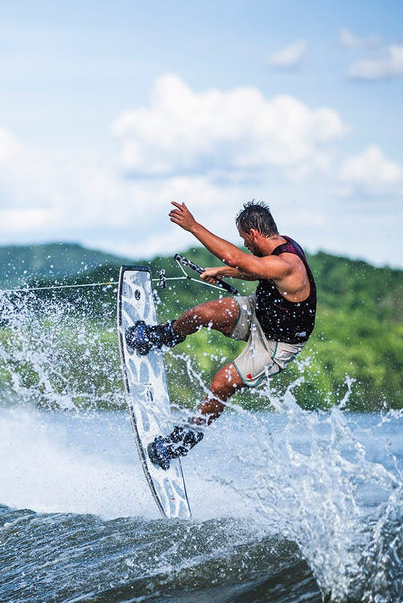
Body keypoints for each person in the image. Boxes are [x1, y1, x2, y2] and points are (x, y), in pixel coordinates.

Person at [126, 200, 317, 470]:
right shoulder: (276, 247)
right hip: (259, 312)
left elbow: (240, 260)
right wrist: (224, 272)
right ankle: (161, 337)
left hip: (277, 344)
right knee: (202, 313)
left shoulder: (288, 264)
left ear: (253, 233)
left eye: (244, 239)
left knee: (220, 385)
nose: (245, 244)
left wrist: (193, 226)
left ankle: (179, 443)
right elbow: (255, 269)